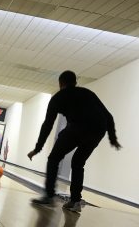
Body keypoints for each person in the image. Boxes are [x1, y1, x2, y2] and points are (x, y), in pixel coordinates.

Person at [27, 70, 121, 212]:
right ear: (75, 83)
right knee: (78, 162)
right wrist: (112, 138)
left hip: (78, 127)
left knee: (54, 158)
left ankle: (49, 196)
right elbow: (109, 116)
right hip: (98, 130)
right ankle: (75, 201)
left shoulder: (58, 97)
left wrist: (37, 148)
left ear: (60, 83)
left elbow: (48, 124)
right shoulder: (88, 93)